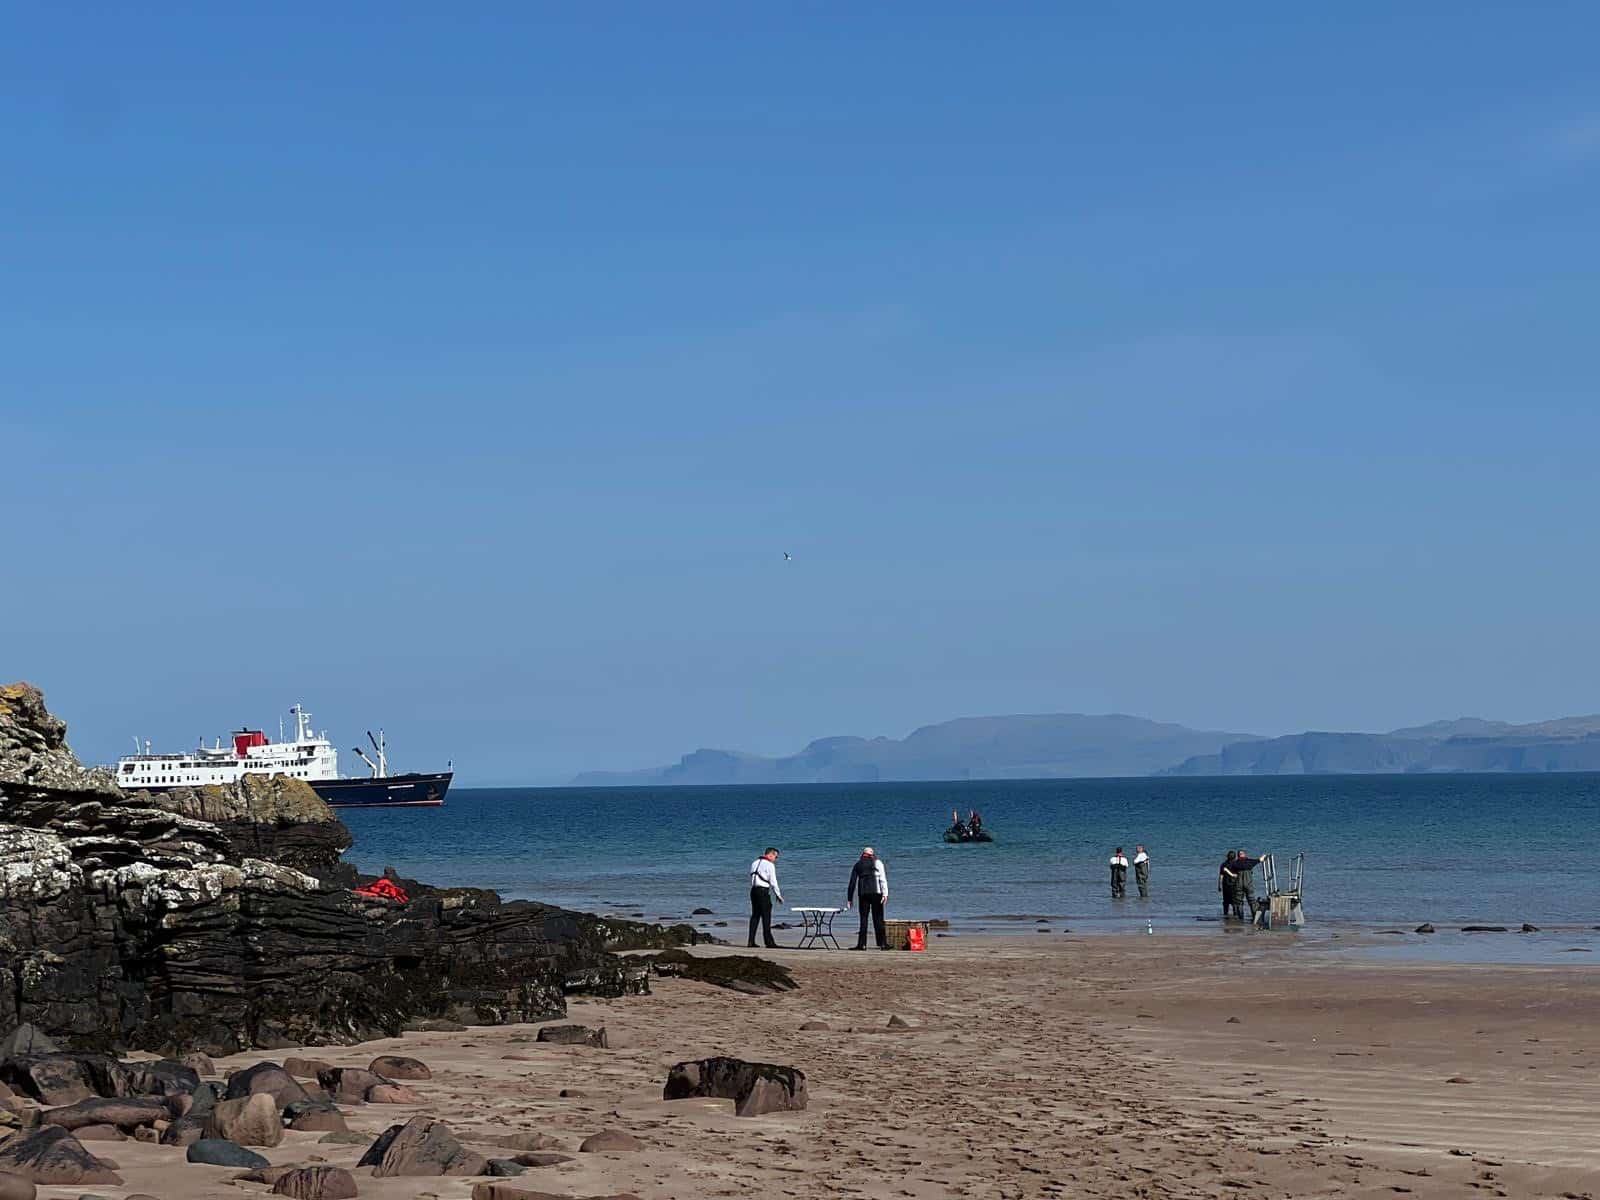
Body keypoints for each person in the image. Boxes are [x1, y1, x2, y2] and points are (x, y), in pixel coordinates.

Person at [846, 846, 890, 950]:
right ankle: (882, 944)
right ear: (872, 854)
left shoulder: (858, 864)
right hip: (877, 893)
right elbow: (883, 879)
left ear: (863, 854)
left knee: (863, 919)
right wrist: (885, 894)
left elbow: (852, 882)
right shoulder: (877, 862)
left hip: (863, 894)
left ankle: (862, 944)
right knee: (878, 918)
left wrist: (849, 898)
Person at [747, 847, 782, 949]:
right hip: (763, 892)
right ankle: (769, 942)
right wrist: (778, 895)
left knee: (755, 916)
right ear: (770, 854)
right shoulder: (770, 865)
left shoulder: (754, 862)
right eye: (776, 856)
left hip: (753, 891)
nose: (776, 859)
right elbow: (773, 881)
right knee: (766, 917)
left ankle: (751, 941)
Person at [1233, 849, 1260, 920]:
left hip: (1239, 884)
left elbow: (1230, 870)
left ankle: (1241, 919)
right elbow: (1259, 860)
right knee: (1252, 901)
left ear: (1238, 855)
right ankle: (1255, 917)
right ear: (1244, 854)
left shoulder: (1235, 863)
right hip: (1248, 883)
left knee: (1239, 901)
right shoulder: (1250, 862)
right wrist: (1264, 857)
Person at [1218, 849, 1238, 918]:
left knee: (1226, 901)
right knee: (1234, 901)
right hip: (1234, 885)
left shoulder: (1223, 864)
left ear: (1227, 857)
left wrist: (1219, 886)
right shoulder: (1236, 864)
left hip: (1225, 885)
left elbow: (1221, 876)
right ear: (1235, 857)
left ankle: (1225, 915)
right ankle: (1236, 915)